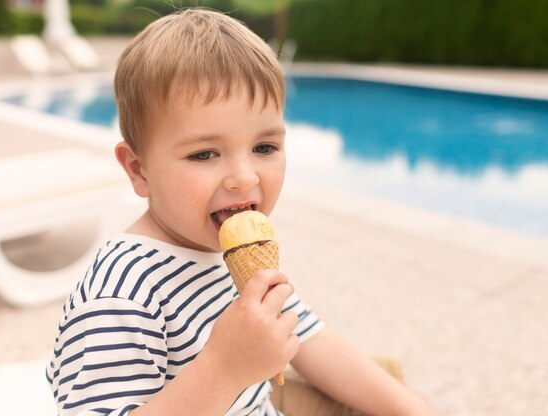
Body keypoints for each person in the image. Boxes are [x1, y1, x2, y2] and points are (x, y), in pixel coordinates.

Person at [47, 8, 440, 416]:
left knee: (387, 384)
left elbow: (308, 337)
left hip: (262, 402)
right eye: (204, 154)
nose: (243, 177)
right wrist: (223, 369)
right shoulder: (121, 295)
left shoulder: (229, 251)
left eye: (264, 148)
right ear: (139, 169)